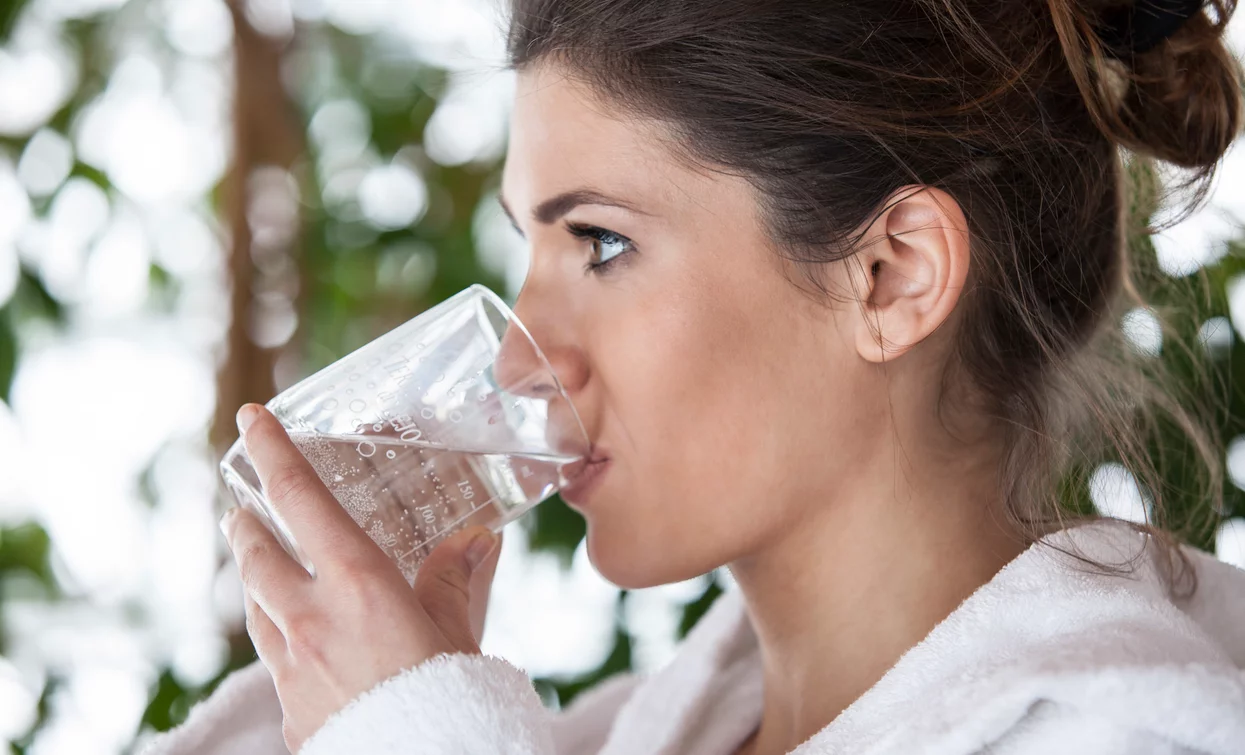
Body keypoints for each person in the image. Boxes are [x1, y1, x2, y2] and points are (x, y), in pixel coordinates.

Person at [140, 0, 1245, 753]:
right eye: (530, 246)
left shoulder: (1120, 730)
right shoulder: (636, 729)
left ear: (890, 274)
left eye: (602, 244)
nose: (522, 358)